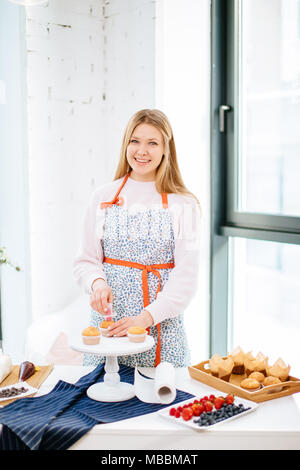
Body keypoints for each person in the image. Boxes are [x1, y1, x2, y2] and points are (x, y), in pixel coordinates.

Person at [73, 109, 201, 368]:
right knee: (102, 399)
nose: (142, 151)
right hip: (109, 325)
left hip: (161, 331)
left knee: (160, 403)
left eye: (152, 143)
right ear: (126, 144)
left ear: (166, 148)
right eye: (135, 141)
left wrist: (144, 319)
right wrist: (97, 284)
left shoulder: (185, 205)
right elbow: (85, 260)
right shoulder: (103, 196)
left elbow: (186, 280)